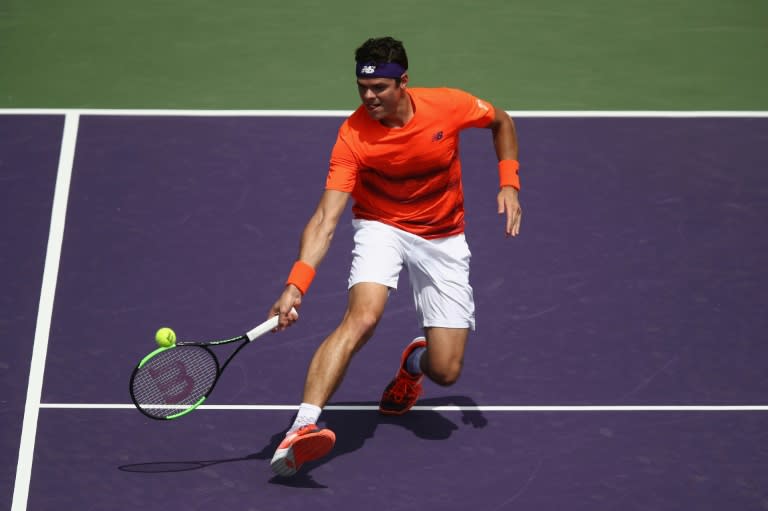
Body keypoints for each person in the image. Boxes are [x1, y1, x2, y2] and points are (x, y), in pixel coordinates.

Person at [267, 36, 522, 477]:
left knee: (446, 371)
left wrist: (509, 180)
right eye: (362, 88)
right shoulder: (352, 136)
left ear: (403, 83)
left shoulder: (449, 105)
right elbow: (326, 218)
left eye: (379, 88)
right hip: (380, 226)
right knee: (362, 318)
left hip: (443, 235)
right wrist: (296, 283)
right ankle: (302, 426)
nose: (369, 97)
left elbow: (501, 121)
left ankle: (412, 365)